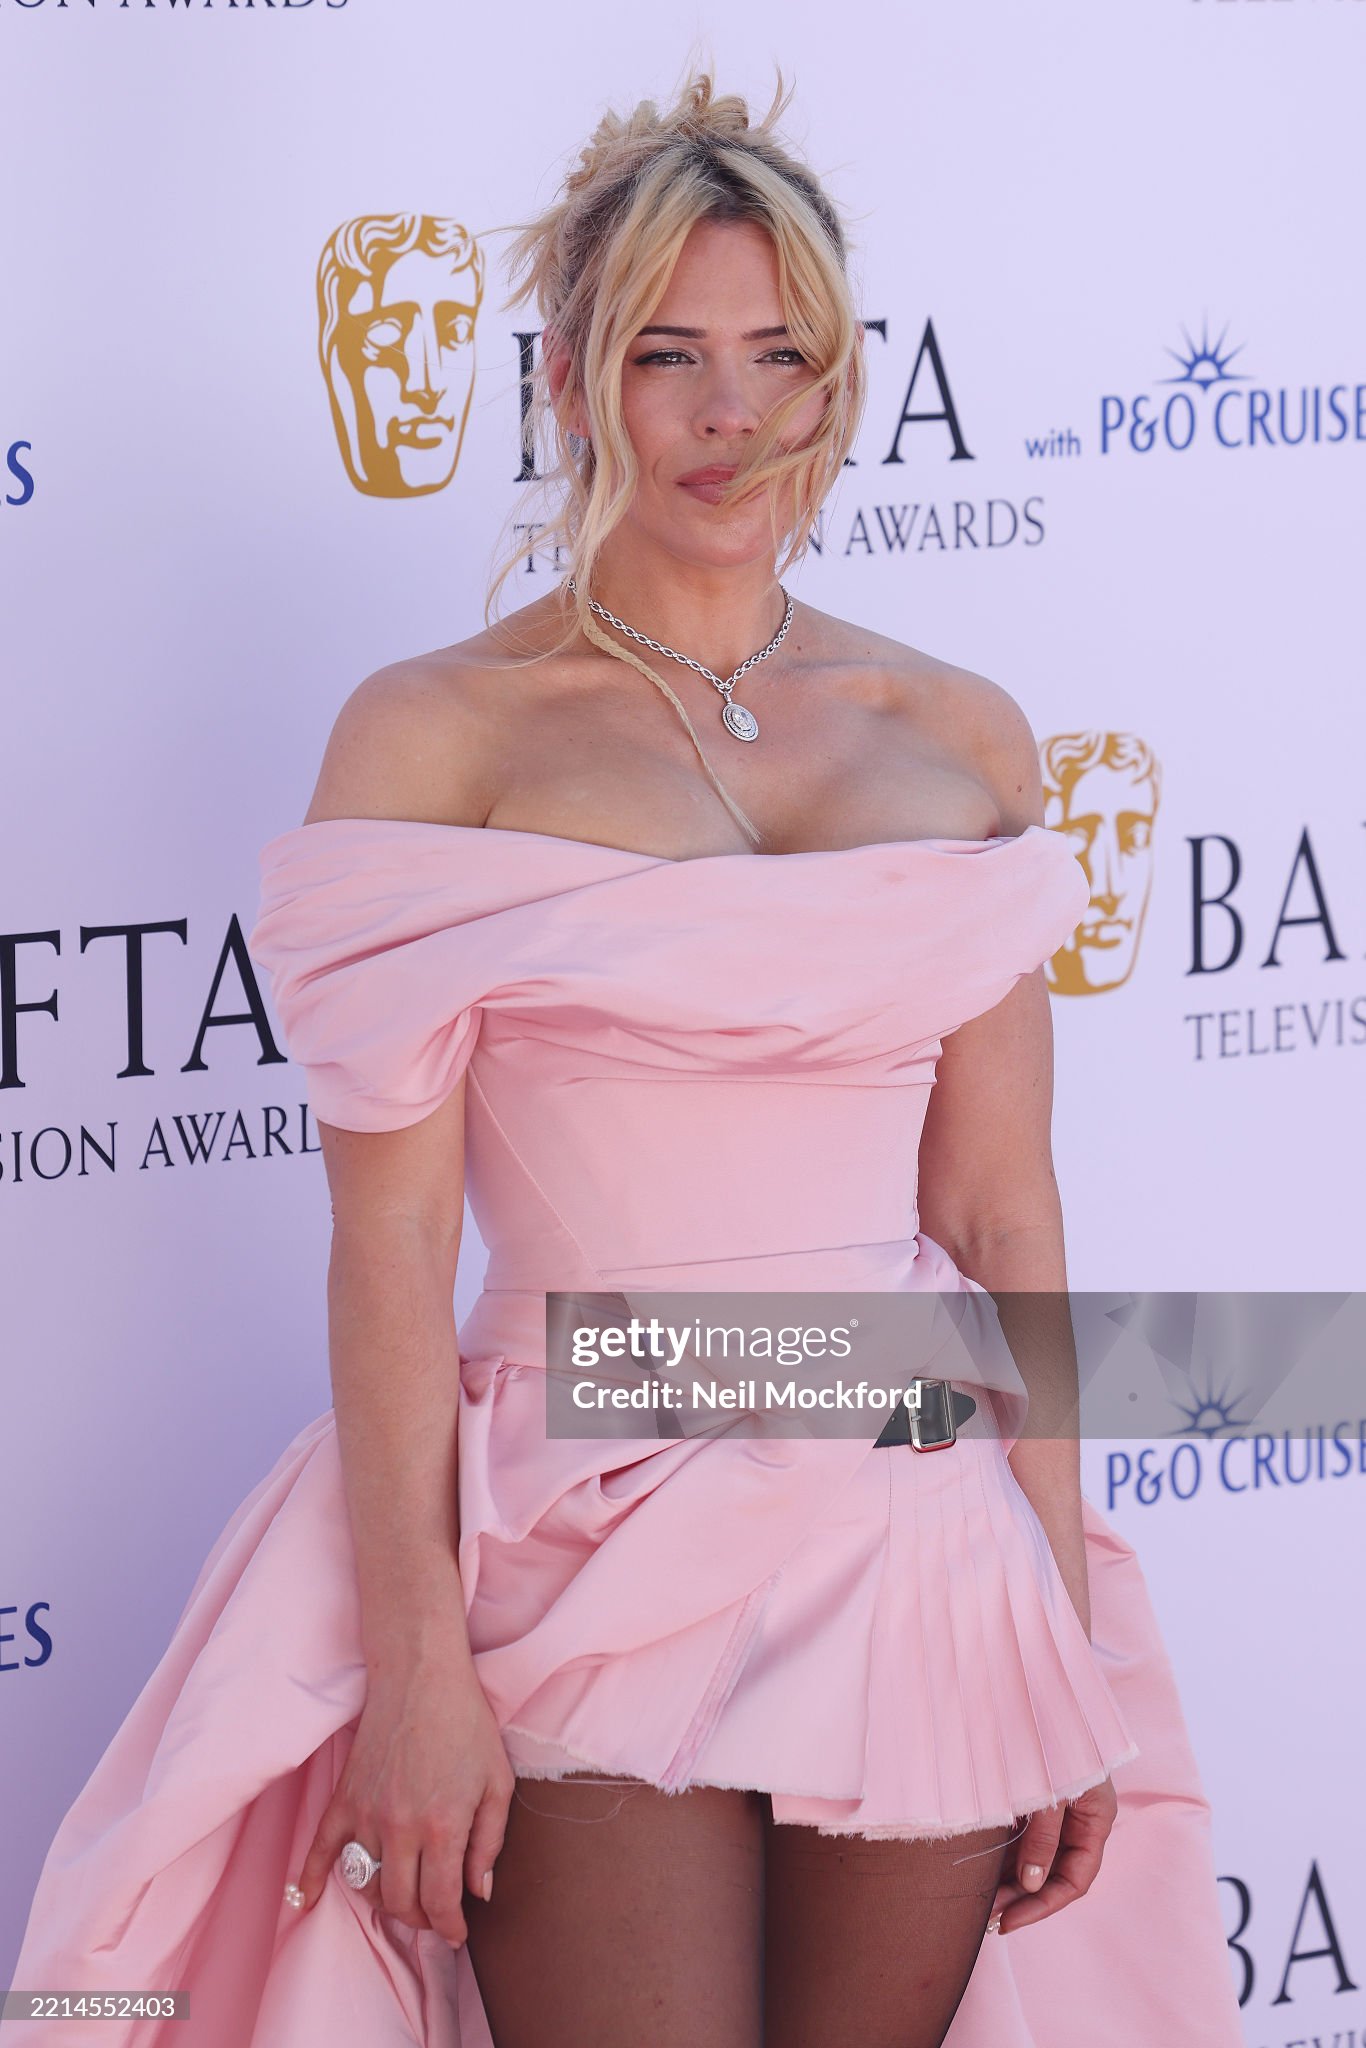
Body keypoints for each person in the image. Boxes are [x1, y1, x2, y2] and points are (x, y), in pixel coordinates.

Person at [9, 68, 1243, 2048]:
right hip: (579, 1524)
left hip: (913, 1520)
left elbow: (1000, 1210)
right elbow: (391, 1248)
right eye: (668, 353)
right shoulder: (437, 735)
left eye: (776, 355)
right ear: (572, 382)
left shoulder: (958, 732)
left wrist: (1065, 1628)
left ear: (838, 383)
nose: (726, 412)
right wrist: (421, 1667)